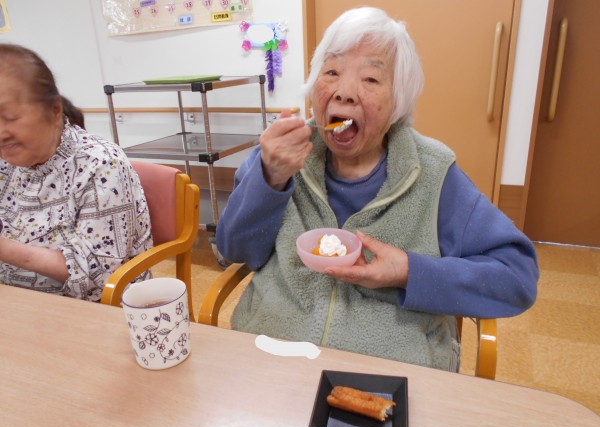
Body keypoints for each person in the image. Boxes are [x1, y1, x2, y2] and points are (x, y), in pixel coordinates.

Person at [216, 7, 539, 371]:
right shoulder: (280, 155)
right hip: (273, 357)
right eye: (332, 72)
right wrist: (269, 179)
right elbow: (233, 250)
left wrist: (409, 271)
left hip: (386, 376)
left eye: (370, 78)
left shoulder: (434, 173)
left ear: (397, 102)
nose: (344, 92)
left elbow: (517, 277)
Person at [0, 44, 152, 301]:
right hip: (16, 302)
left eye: (10, 117)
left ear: (54, 110)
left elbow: (98, 274)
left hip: (91, 308)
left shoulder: (101, 164)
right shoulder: (7, 163)